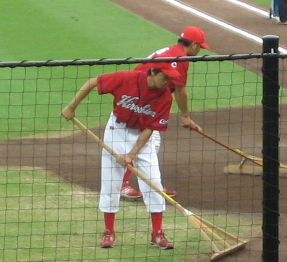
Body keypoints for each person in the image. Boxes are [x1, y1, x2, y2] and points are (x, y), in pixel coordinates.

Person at [61, 64, 180, 250]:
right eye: (165, 77)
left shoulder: (165, 96)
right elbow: (93, 82)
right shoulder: (127, 79)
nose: (168, 81)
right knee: (111, 182)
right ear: (153, 72)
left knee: (154, 183)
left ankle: (157, 234)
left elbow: (150, 128)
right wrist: (71, 106)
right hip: (117, 130)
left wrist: (131, 154)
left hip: (142, 136)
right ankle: (109, 232)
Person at [119, 27, 210, 199]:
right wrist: (185, 117)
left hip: (142, 95)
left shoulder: (173, 51)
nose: (199, 51)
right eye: (200, 47)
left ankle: (154, 186)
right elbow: (180, 89)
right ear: (194, 45)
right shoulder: (180, 58)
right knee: (146, 142)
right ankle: (123, 184)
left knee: (152, 142)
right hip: (140, 97)